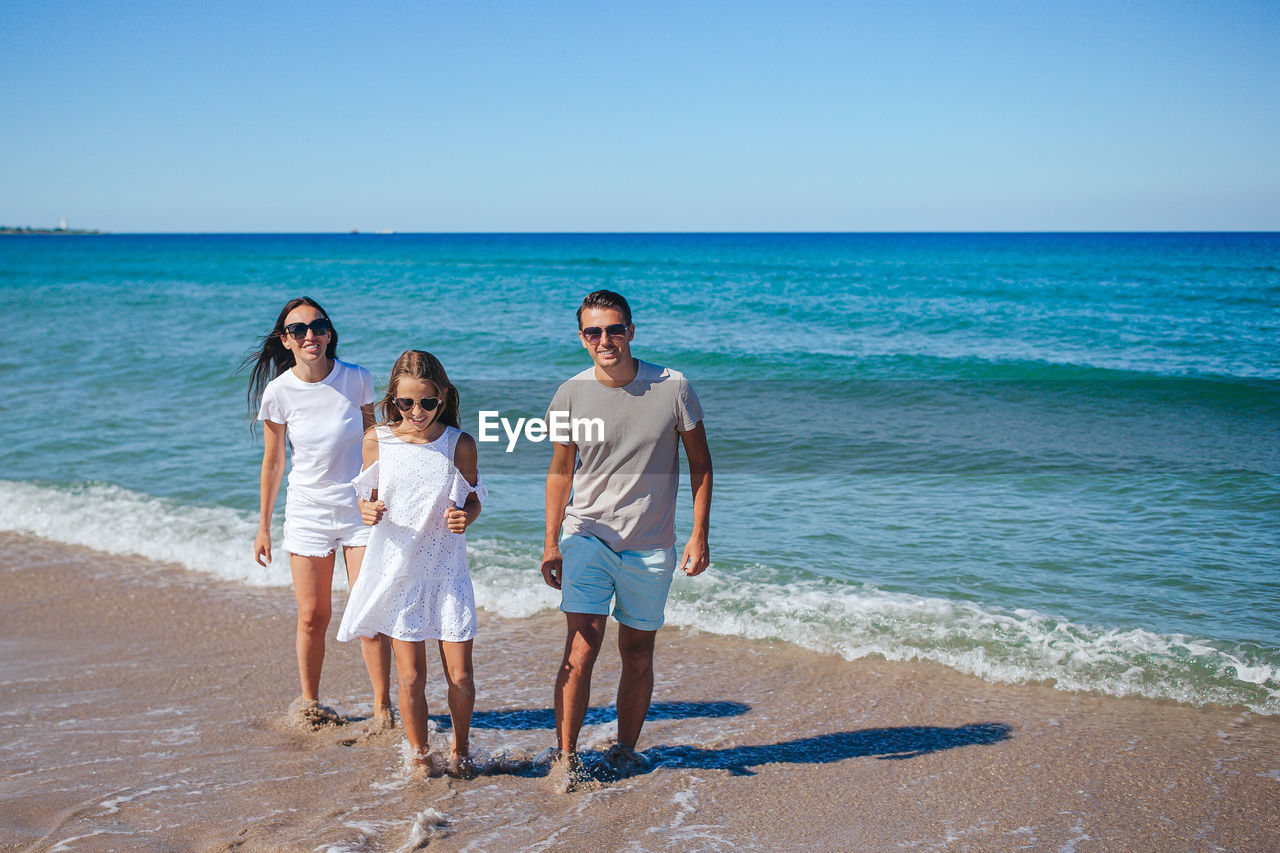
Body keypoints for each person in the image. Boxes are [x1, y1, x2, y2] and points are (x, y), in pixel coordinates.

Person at [539, 289, 712, 789]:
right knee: (582, 645)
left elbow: (701, 465)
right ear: (581, 338)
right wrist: (551, 542)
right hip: (586, 534)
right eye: (594, 332)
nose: (605, 340)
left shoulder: (673, 386)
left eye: (615, 329)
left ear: (631, 331)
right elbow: (559, 473)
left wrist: (699, 535)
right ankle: (566, 760)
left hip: (650, 542)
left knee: (638, 652)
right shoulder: (570, 392)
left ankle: (624, 753)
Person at [245, 297, 392, 727]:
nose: (310, 335)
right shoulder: (279, 392)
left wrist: (376, 494)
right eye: (298, 330)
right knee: (313, 615)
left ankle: (383, 710)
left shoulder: (357, 379)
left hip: (359, 510)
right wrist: (263, 527)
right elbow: (274, 462)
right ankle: (310, 704)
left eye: (318, 326)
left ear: (329, 333)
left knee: (367, 610)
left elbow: (375, 441)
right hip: (307, 511)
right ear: (285, 340)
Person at [337, 350, 484, 778]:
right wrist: (366, 510)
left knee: (459, 676)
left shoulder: (459, 444)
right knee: (412, 678)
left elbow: (473, 499)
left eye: (427, 402)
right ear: (393, 401)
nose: (416, 412)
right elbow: (366, 494)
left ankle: (461, 751)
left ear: (443, 398)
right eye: (406, 403)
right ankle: (419, 756)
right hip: (400, 571)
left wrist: (466, 516)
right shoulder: (377, 439)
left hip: (447, 572)